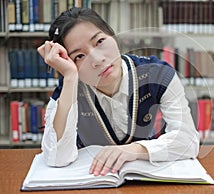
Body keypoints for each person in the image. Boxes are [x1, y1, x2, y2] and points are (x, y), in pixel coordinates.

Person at [37, 7, 200, 176]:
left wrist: (134, 150)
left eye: (99, 42)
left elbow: (188, 141)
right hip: (94, 182)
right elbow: (57, 158)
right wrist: (70, 76)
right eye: (79, 56)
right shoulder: (69, 88)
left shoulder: (158, 75)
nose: (98, 60)